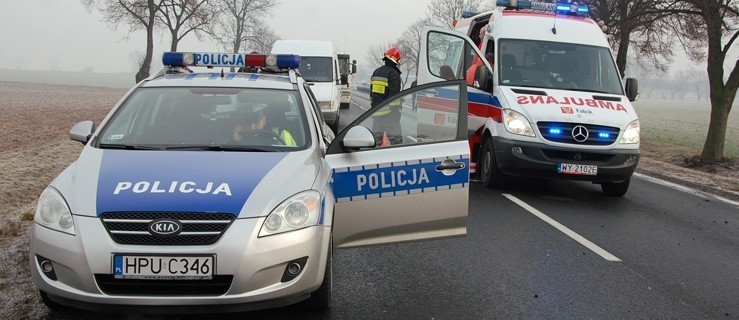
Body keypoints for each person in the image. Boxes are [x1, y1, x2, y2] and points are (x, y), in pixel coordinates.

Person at [370, 47, 403, 146]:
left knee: (376, 143)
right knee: (397, 144)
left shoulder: (376, 72)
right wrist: (396, 113)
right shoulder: (394, 74)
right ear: (396, 61)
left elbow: (372, 93)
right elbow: (394, 96)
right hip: (391, 117)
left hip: (376, 114)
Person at [231, 109, 297, 146]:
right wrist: (236, 139)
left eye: (256, 122)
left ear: (264, 120)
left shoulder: (282, 133)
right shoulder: (238, 132)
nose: (252, 126)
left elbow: (295, 157)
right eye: (248, 123)